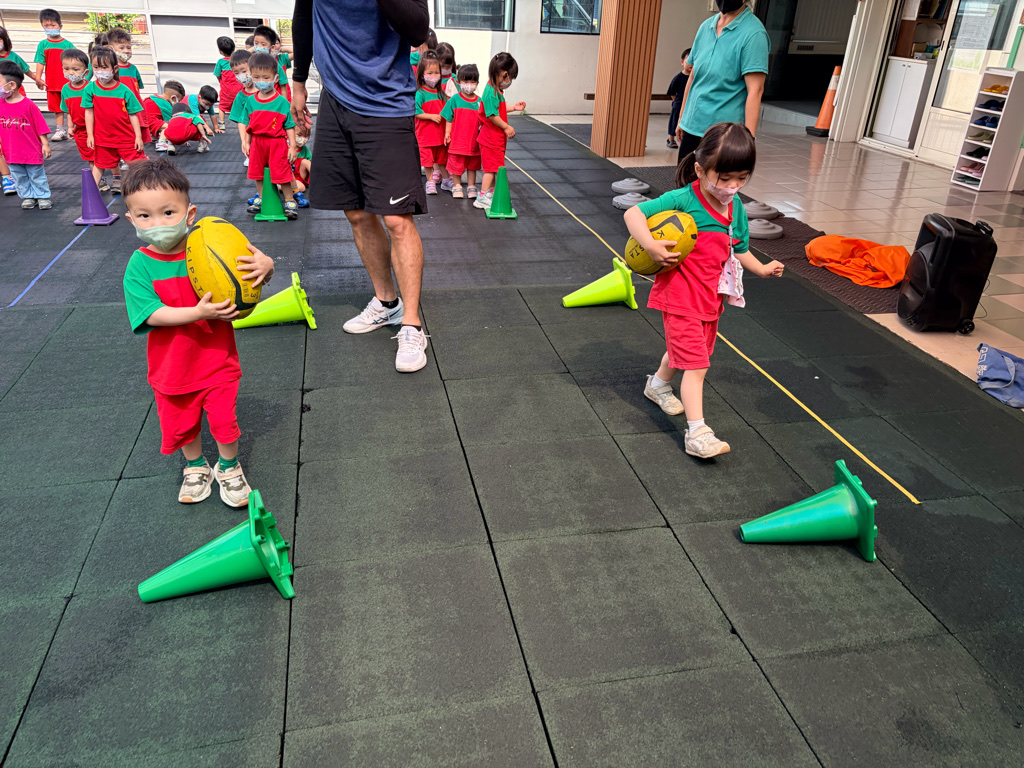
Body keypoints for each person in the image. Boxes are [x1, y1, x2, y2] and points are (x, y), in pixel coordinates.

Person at [120, 158, 274, 506]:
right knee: (182, 424)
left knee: (224, 420)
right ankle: (195, 466)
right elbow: (152, 314)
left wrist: (266, 267)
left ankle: (229, 467)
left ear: (189, 214)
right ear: (131, 220)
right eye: (145, 216)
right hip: (172, 368)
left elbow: (247, 277)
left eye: (168, 213)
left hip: (217, 361)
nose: (158, 223)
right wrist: (199, 313)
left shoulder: (210, 248)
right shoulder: (139, 265)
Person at [625, 122, 783, 459]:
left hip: (710, 299)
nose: (732, 186)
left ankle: (657, 385)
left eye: (741, 178)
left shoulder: (736, 209)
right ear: (700, 170)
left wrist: (761, 268)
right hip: (680, 297)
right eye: (723, 178)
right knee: (697, 365)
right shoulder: (684, 199)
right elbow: (634, 213)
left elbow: (739, 249)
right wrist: (650, 245)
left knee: (686, 353)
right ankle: (697, 433)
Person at [291, 0, 432, 373]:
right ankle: (387, 303)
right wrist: (298, 81)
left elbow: (418, 29)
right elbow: (304, 14)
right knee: (355, 212)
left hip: (386, 104)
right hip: (335, 102)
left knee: (397, 219)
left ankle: (412, 324)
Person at [675, 0, 769, 163]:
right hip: (692, 126)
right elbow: (693, 76)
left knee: (714, 180)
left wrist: (748, 140)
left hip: (723, 134)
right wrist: (682, 118)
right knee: (685, 178)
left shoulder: (754, 34)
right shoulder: (705, 27)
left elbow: (755, 90)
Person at [241, 52, 299, 220]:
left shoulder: (282, 102)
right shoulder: (251, 101)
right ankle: (261, 197)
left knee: (282, 172)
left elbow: (289, 126)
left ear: (275, 78)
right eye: (256, 77)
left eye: (266, 77)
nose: (261, 81)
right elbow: (247, 124)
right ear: (251, 77)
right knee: (257, 172)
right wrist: (246, 142)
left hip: (277, 142)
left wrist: (292, 146)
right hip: (257, 142)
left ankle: (289, 201)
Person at [82, 46, 146, 190]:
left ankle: (146, 190)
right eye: (96, 67)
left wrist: (138, 137)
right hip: (103, 138)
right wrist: (90, 134)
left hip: (126, 137)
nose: (100, 71)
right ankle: (90, 194)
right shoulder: (90, 89)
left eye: (104, 67)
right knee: (99, 165)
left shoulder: (124, 90)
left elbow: (133, 114)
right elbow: (89, 112)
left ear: (115, 69)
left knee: (139, 165)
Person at [475, 52, 525, 211]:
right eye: (511, 78)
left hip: (494, 139)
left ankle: (490, 193)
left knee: (495, 168)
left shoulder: (495, 90)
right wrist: (506, 127)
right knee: (491, 169)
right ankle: (482, 196)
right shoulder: (491, 92)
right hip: (491, 139)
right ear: (504, 74)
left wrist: (514, 108)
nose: (510, 82)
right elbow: (492, 115)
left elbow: (498, 110)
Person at [0, 60, 52, 209]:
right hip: (11, 152)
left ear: (12, 85)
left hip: (30, 151)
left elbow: (40, 126)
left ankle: (42, 196)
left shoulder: (28, 105)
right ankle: (28, 196)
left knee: (36, 175)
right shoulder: (1, 104)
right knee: (19, 176)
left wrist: (45, 144)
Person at [2, 26, 45, 195]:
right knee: (5, 138)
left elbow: (26, 70)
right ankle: (7, 176)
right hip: (3, 103)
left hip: (16, 100)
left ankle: (29, 162)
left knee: (22, 131)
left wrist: (37, 79)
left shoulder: (13, 57)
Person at [59, 48, 102, 187]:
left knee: (106, 154)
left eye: (75, 69)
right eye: (66, 69)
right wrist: (70, 127)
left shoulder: (91, 87)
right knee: (90, 156)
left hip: (98, 127)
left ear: (86, 72)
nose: (71, 73)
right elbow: (68, 111)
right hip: (81, 130)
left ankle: (116, 177)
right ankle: (98, 182)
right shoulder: (65, 89)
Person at [34, 8, 75, 141]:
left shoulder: (67, 44)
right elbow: (40, 62)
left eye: (53, 25)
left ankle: (72, 128)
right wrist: (38, 78)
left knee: (70, 105)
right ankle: (60, 130)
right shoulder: (43, 45)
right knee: (57, 108)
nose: (50, 28)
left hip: (67, 82)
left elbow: (76, 61)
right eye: (46, 25)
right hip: (51, 82)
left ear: (60, 26)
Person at [441, 63, 481, 200]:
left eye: (473, 81)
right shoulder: (455, 100)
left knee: (472, 166)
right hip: (458, 142)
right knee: (456, 166)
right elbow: (448, 118)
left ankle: (471, 186)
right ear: (458, 82)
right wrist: (447, 133)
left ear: (477, 83)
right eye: (465, 81)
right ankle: (457, 185)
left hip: (474, 142)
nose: (469, 85)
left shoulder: (479, 102)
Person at [107, 27, 151, 147]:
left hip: (134, 108)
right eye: (121, 48)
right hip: (119, 108)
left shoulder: (133, 69)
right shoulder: (111, 70)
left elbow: (137, 90)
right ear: (111, 48)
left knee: (137, 136)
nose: (126, 51)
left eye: (129, 47)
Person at [415, 52, 448, 195]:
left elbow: (447, 112)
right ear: (422, 75)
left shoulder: (441, 93)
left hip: (440, 136)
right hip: (425, 136)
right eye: (430, 73)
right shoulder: (420, 93)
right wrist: (431, 117)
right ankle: (430, 182)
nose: (434, 76)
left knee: (442, 159)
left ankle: (446, 180)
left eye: (436, 72)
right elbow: (416, 112)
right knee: (428, 161)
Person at [228, 49, 258, 175]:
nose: (241, 76)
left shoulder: (265, 91)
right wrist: (244, 141)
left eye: (244, 71)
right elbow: (241, 121)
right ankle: (250, 155)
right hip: (252, 135)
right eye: (237, 73)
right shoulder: (240, 97)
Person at [252, 25, 291, 101]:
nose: (259, 47)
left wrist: (284, 103)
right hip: (257, 101)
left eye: (263, 44)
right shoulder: (252, 63)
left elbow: (283, 86)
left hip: (274, 101)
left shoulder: (275, 65)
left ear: (272, 47)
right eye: (256, 43)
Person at [146, 79, 186, 153]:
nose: (179, 103)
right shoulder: (165, 104)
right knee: (175, 127)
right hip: (152, 122)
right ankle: (161, 143)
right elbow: (173, 120)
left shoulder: (153, 98)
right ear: (173, 98)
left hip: (144, 123)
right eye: (179, 100)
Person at [666, 48, 691, 149]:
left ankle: (684, 140)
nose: (691, 64)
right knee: (674, 121)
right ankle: (671, 139)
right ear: (682, 62)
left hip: (690, 105)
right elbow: (672, 92)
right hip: (679, 104)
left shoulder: (695, 78)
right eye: (689, 61)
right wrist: (675, 101)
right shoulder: (678, 77)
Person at [213, 36, 239, 131]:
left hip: (226, 89)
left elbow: (217, 75)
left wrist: (222, 82)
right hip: (238, 89)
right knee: (240, 105)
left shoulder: (221, 62)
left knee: (222, 106)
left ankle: (221, 123)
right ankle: (242, 122)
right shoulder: (238, 61)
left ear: (221, 52)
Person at [291, 122, 311, 207]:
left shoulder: (305, 149)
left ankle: (318, 181)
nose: (303, 139)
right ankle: (278, 186)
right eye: (299, 135)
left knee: (306, 162)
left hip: (299, 177)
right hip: (288, 177)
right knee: (301, 188)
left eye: (305, 136)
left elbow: (310, 162)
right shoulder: (286, 148)